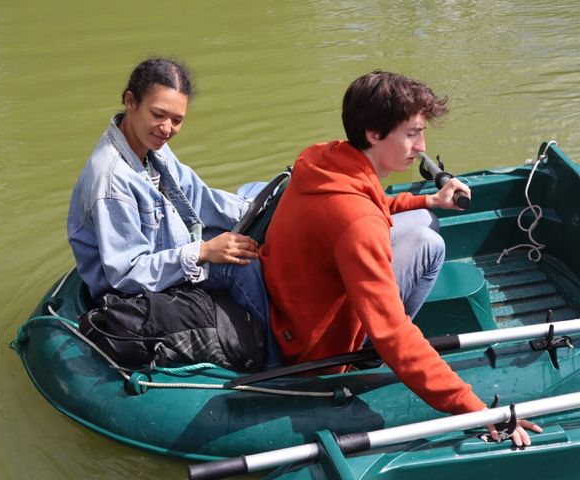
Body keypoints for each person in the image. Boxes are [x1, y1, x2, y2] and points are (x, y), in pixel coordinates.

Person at [259, 70, 542, 445]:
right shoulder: (357, 221)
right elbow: (392, 330)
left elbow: (372, 205)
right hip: (312, 345)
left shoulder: (323, 159)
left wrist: (427, 200)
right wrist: (475, 407)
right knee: (429, 246)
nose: (421, 146)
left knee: (426, 225)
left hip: (288, 304)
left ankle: (374, 337)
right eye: (411, 133)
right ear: (374, 133)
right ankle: (363, 353)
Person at [67, 57, 277, 370]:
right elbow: (126, 274)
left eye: (177, 120)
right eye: (158, 115)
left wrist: (264, 207)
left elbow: (199, 198)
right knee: (241, 266)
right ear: (130, 101)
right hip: (139, 289)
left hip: (169, 248)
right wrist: (204, 252)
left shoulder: (151, 145)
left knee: (255, 190)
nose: (167, 129)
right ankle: (278, 362)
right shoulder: (110, 181)